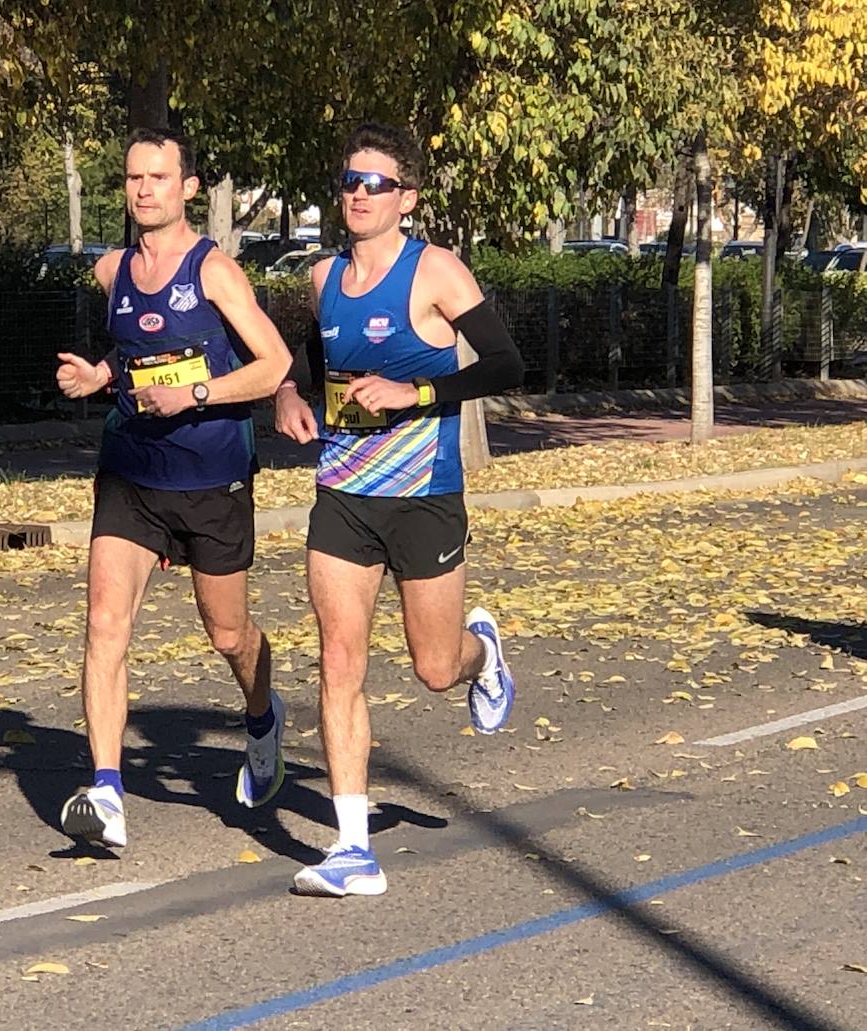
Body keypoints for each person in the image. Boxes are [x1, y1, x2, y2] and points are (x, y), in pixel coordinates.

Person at [273, 123, 525, 897]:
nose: (358, 193)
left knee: (433, 667)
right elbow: (310, 360)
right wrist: (289, 394)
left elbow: (510, 363)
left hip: (424, 496)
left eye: (376, 184)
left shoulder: (436, 272)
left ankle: (483, 652)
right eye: (351, 180)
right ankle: (352, 848)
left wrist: (415, 393)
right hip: (344, 492)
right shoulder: (322, 278)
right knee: (339, 660)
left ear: (406, 200)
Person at [52, 127, 293, 848]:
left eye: (158, 177)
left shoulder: (214, 271)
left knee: (227, 633)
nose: (143, 190)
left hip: (211, 474)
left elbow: (274, 362)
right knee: (103, 624)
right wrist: (102, 377)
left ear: (187, 187)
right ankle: (107, 790)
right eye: (133, 178)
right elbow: (131, 355)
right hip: (132, 469)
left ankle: (261, 714)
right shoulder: (110, 271)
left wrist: (196, 394)